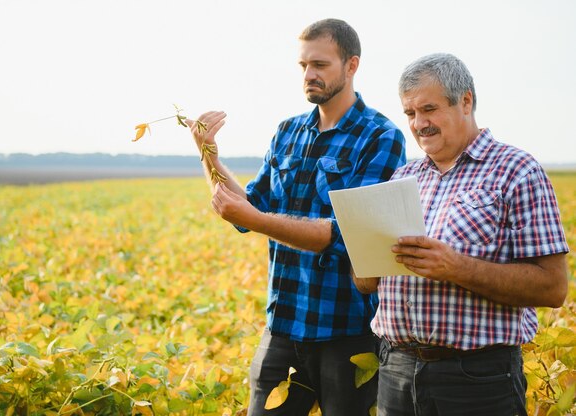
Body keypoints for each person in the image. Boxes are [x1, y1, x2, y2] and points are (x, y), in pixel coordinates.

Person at [187, 18, 406, 416]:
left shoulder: (381, 137)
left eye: (320, 65)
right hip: (283, 327)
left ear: (351, 65)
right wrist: (208, 152)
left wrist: (257, 220)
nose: (309, 75)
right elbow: (248, 208)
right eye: (303, 66)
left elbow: (346, 236)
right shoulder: (287, 132)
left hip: (347, 335)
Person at [352, 53, 569, 416]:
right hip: (396, 370)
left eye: (429, 109)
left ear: (465, 101)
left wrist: (456, 267)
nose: (419, 123)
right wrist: (364, 261)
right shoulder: (402, 178)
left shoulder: (516, 171)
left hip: (477, 378)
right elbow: (366, 283)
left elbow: (552, 287)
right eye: (410, 114)